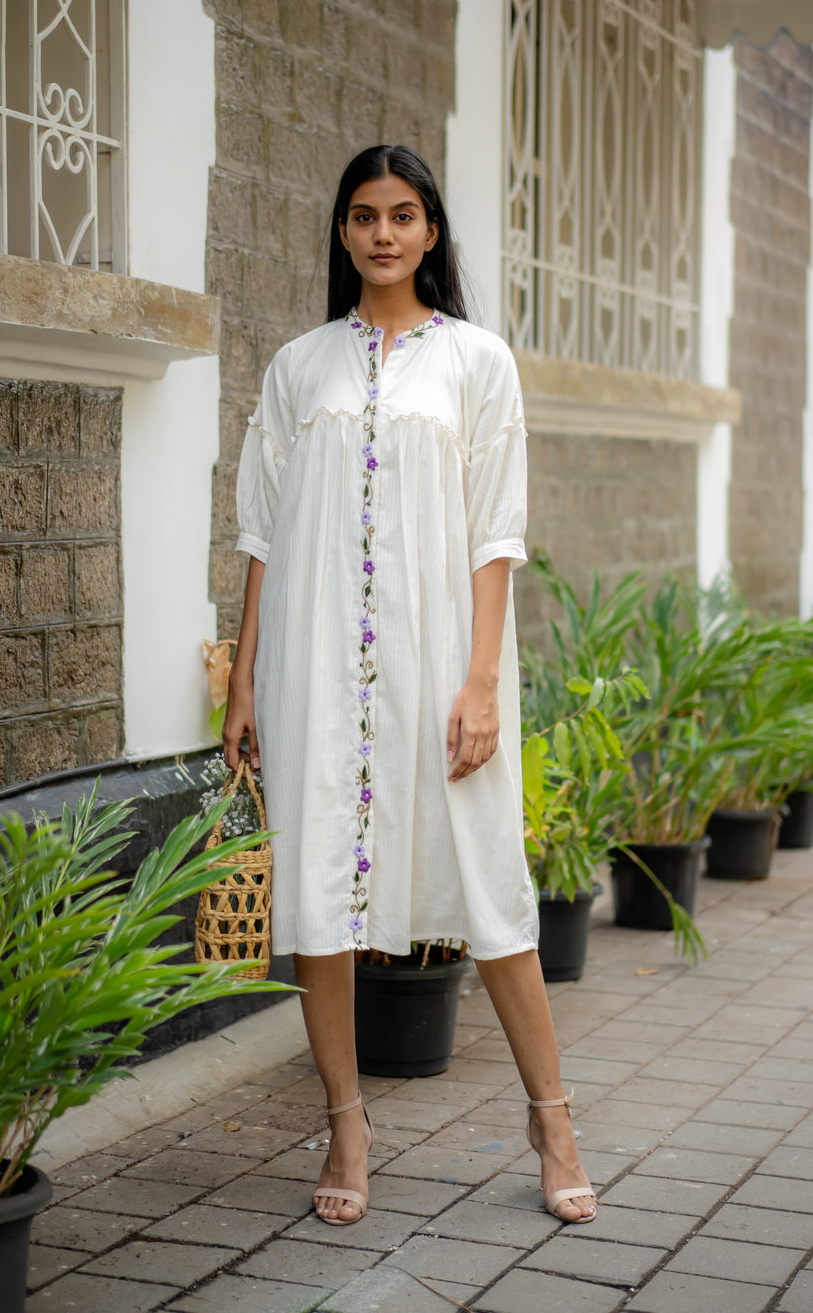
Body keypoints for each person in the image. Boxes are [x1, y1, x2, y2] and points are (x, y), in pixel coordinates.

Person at [224, 144, 597, 1227]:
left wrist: (481, 682)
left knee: (490, 886)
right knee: (321, 896)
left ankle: (553, 1115)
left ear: (431, 230)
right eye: (361, 216)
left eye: (401, 214)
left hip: (441, 663)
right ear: (340, 234)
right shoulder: (299, 367)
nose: (381, 233)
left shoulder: (477, 361)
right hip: (312, 663)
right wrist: (244, 677)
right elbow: (258, 530)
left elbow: (498, 534)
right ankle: (346, 1121)